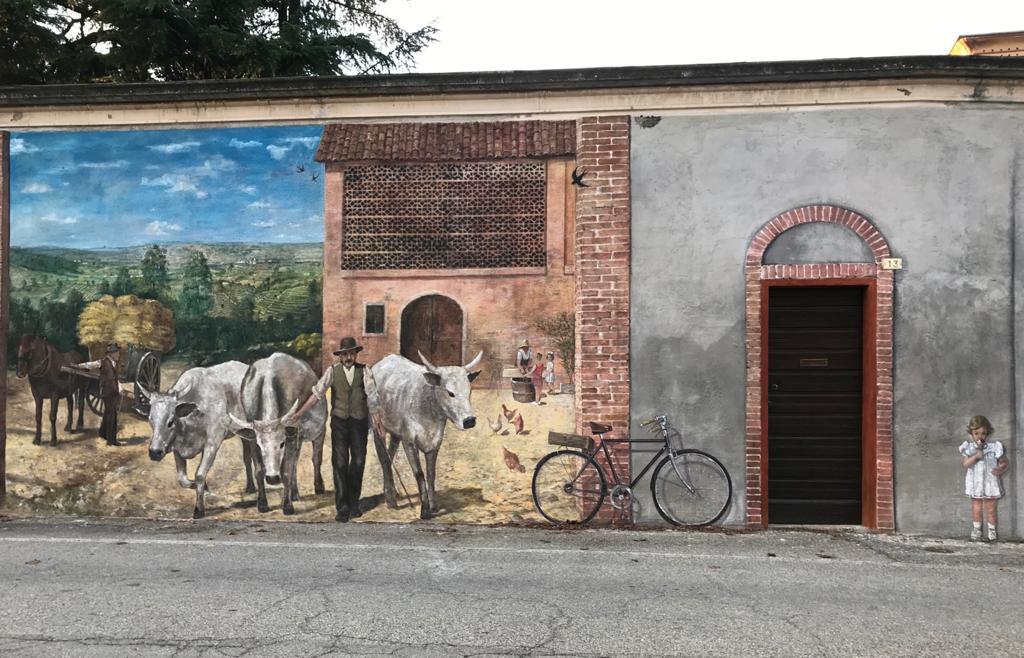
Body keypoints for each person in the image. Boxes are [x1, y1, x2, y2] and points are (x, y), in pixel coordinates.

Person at [288, 337, 380, 523]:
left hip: (359, 422)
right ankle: (342, 507)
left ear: (356, 355)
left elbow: (373, 399)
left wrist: (379, 424)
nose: (349, 357)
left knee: (359, 461)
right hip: (339, 422)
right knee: (339, 463)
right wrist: (299, 413)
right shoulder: (332, 371)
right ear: (340, 356)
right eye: (345, 354)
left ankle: (354, 504)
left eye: (352, 354)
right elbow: (317, 394)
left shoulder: (365, 371)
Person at [958, 415, 1009, 541]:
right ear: (971, 433)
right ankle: (977, 529)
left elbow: (1004, 462)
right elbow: (965, 464)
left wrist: (1000, 469)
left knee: (991, 508)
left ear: (987, 433)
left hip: (990, 482)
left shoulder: (994, 447)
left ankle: (992, 530)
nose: (980, 436)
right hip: (976, 483)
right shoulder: (969, 447)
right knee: (976, 507)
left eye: (983, 433)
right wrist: (976, 457)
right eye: (976, 433)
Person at [81, 343, 123, 447]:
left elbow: (115, 378)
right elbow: (90, 365)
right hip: (107, 392)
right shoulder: (102, 362)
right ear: (111, 354)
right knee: (112, 414)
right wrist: (77, 366)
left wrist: (120, 388)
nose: (118, 354)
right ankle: (111, 440)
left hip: (113, 392)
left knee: (109, 412)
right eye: (117, 353)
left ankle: (103, 433)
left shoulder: (114, 363)